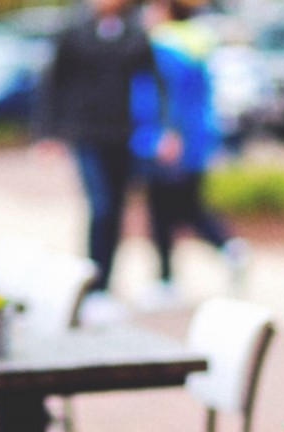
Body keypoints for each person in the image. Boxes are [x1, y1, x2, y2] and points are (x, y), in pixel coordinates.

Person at [34, 0, 171, 323]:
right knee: (102, 206)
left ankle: (106, 285)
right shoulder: (73, 30)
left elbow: (155, 82)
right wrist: (46, 132)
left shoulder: (135, 32)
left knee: (118, 209)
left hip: (123, 136)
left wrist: (165, 130)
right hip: (86, 134)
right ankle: (93, 286)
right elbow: (52, 82)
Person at [130, 0, 249, 309]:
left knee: (162, 214)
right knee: (190, 207)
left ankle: (166, 281)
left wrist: (164, 135)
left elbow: (160, 96)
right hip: (196, 140)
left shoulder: (162, 47)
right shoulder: (199, 41)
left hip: (168, 142)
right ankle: (230, 249)